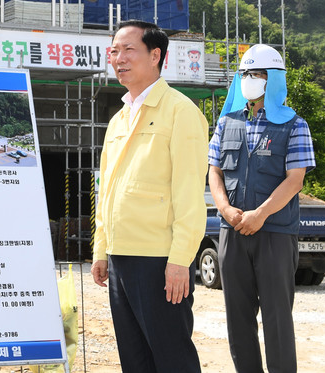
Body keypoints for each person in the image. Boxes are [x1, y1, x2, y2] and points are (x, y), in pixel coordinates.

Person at [91, 20, 209, 372]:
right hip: (121, 255)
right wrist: (101, 250)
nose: (118, 58)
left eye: (128, 50)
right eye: (114, 51)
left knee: (171, 356)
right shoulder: (119, 119)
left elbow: (189, 192)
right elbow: (108, 190)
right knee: (135, 357)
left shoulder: (180, 111)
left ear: (156, 55)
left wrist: (180, 260)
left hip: (159, 258)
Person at [208, 44, 316, 373]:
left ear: (272, 81)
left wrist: (260, 214)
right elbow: (214, 170)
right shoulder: (226, 123)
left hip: (275, 234)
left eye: (256, 74)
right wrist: (225, 209)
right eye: (245, 74)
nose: (249, 80)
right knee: (237, 318)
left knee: (277, 319)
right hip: (232, 232)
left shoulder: (294, 125)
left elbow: (294, 180)